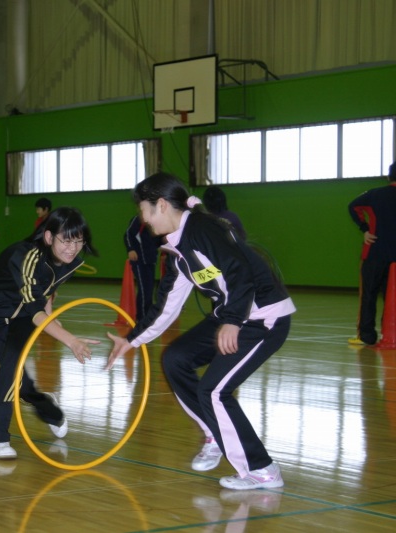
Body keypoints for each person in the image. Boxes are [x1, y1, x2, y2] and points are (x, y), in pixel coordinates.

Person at [107, 172, 296, 491]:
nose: (144, 220)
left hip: (262, 316)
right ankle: (214, 431)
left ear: (161, 205)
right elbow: (166, 305)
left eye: (144, 211)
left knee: (214, 391)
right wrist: (131, 340)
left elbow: (240, 271)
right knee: (176, 358)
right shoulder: (178, 248)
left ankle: (262, 469)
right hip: (232, 315)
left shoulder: (204, 228)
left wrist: (233, 320)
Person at [0, 207, 100, 459]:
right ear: (48, 237)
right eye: (66, 240)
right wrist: (71, 341)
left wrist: (51, 316)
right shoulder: (27, 256)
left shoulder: (69, 261)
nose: (73, 248)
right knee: (17, 380)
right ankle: (43, 413)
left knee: (11, 371)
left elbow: (46, 289)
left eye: (78, 241)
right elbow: (35, 308)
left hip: (23, 316)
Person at [347, 162, 396, 346]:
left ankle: (366, 336)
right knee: (393, 297)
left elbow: (353, 206)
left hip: (375, 253)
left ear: (389, 177)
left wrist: (365, 229)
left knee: (368, 295)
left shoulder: (374, 194)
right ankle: (391, 334)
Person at [124, 214, 162, 320]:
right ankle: (142, 318)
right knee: (144, 289)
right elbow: (128, 234)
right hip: (139, 259)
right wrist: (130, 249)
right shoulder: (140, 218)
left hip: (151, 260)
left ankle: (146, 316)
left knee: (149, 289)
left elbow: (157, 240)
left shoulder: (158, 220)